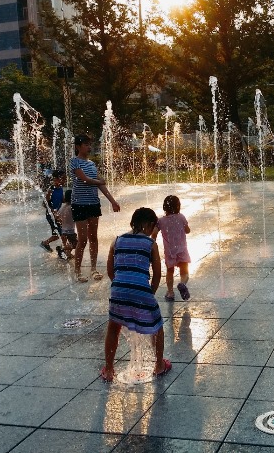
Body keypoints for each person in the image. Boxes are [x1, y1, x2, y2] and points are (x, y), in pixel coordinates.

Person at [100, 207, 171, 382]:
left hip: (118, 290)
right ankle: (159, 365)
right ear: (150, 224)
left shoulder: (117, 240)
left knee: (113, 327)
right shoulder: (150, 244)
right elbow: (157, 275)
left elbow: (110, 270)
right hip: (141, 291)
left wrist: (120, 286)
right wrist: (149, 294)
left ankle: (109, 369)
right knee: (157, 327)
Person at [70, 134, 120, 282]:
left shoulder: (91, 164)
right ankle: (78, 271)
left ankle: (93, 268)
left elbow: (101, 185)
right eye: (86, 144)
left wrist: (113, 201)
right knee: (82, 239)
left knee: (93, 238)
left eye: (89, 144)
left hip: (93, 204)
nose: (89, 147)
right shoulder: (74, 162)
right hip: (79, 204)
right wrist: (99, 181)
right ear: (78, 147)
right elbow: (85, 179)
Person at [151, 195, 191, 301]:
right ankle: (183, 283)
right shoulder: (181, 217)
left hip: (169, 251)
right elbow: (187, 230)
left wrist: (152, 242)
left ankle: (170, 292)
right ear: (178, 206)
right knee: (184, 270)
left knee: (170, 271)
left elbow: (154, 233)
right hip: (182, 249)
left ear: (164, 207)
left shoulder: (161, 221)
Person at [40, 169, 66, 257]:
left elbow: (62, 199)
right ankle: (62, 250)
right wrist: (53, 212)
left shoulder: (60, 188)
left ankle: (48, 244)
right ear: (55, 179)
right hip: (51, 215)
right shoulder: (51, 190)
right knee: (60, 233)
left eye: (65, 179)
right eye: (62, 178)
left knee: (60, 233)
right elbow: (45, 204)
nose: (64, 181)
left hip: (57, 214)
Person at [56, 189, 77, 260]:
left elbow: (57, 217)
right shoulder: (72, 207)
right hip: (70, 231)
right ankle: (62, 249)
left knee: (70, 243)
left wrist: (62, 221)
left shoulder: (63, 207)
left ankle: (68, 254)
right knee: (76, 245)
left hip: (63, 230)